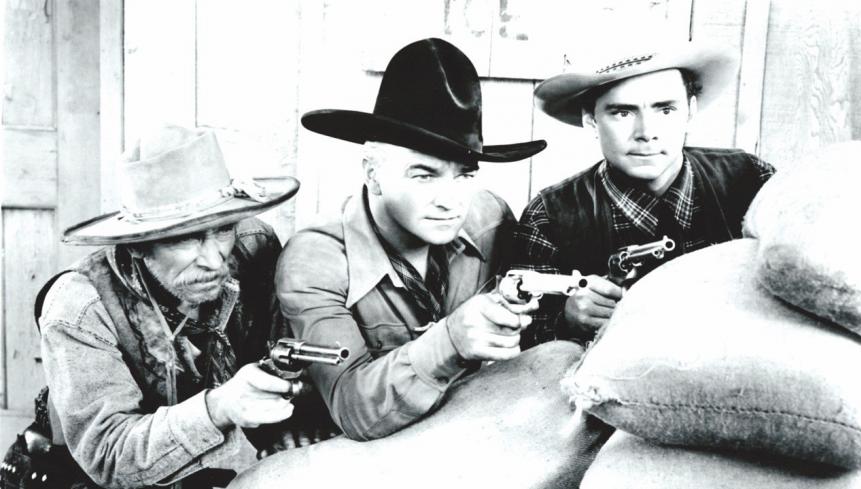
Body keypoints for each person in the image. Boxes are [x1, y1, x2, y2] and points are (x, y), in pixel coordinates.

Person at [276, 38, 547, 441]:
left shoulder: (490, 217)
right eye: (424, 175)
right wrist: (450, 340)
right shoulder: (314, 261)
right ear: (372, 174)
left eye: (464, 175)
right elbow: (351, 409)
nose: (451, 201)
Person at [37, 125, 300, 488]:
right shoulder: (80, 307)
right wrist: (219, 407)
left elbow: (273, 350)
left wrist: (289, 427)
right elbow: (109, 455)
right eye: (185, 238)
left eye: (223, 229)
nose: (215, 260)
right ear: (137, 245)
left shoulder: (253, 245)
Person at [512, 41, 775, 347]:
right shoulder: (548, 216)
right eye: (622, 112)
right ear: (591, 119)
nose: (647, 132)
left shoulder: (753, 179)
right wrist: (565, 321)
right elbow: (516, 334)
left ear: (690, 111)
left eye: (665, 109)